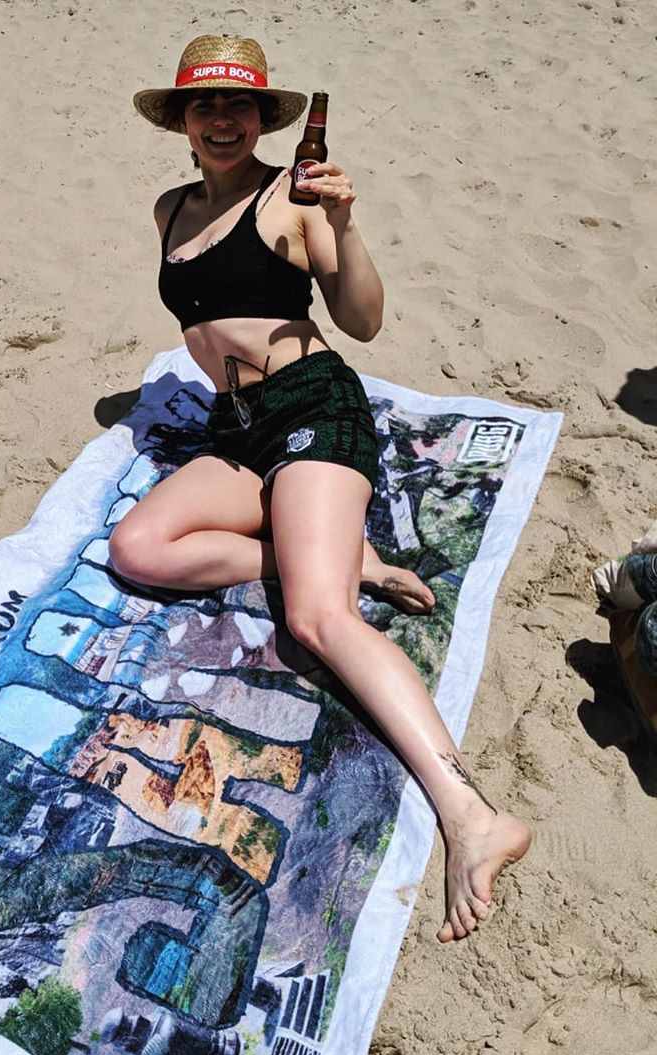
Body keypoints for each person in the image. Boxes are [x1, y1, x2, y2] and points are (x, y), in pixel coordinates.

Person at [111, 34, 530, 942]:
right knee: (136, 548)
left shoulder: (292, 200)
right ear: (182, 121)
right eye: (204, 104)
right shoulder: (170, 208)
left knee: (318, 620)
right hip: (237, 431)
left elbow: (363, 321)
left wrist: (342, 222)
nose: (222, 119)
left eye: (239, 104)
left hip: (311, 406)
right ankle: (343, 555)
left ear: (263, 117)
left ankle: (473, 816)